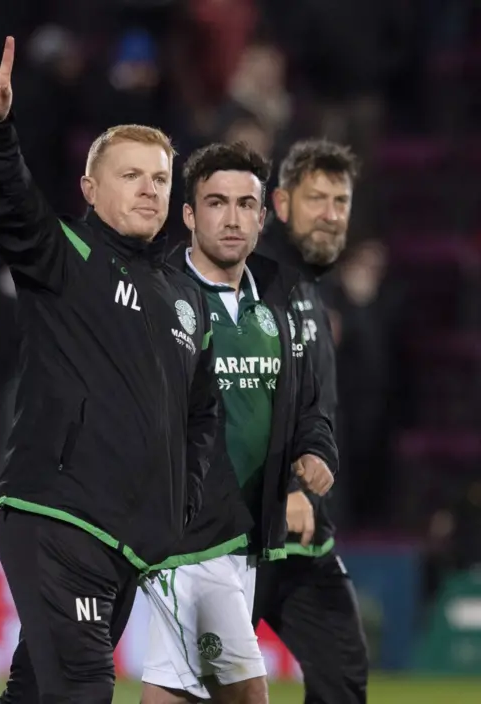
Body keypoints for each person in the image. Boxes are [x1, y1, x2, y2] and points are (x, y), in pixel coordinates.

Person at [0, 36, 218, 704]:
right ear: (89, 188)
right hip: (59, 513)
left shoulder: (185, 298)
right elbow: (12, 206)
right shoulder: (65, 256)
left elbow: (201, 414)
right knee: (82, 692)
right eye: (131, 175)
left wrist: (177, 505)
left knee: (35, 696)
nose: (149, 189)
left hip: (128, 540)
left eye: (161, 178)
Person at [140, 142, 338, 703]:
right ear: (188, 214)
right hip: (189, 539)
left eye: (245, 204)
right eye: (216, 202)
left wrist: (314, 459)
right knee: (248, 695)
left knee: (171, 690)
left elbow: (309, 407)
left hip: (250, 536)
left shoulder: (278, 302)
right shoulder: (158, 298)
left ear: (262, 216)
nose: (231, 218)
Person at [252, 139, 368, 703]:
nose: (330, 213)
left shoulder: (311, 290)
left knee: (342, 679)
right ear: (280, 204)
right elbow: (245, 390)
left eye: (340, 200)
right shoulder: (254, 279)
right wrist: (289, 486)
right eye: (315, 197)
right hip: (242, 538)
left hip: (304, 538)